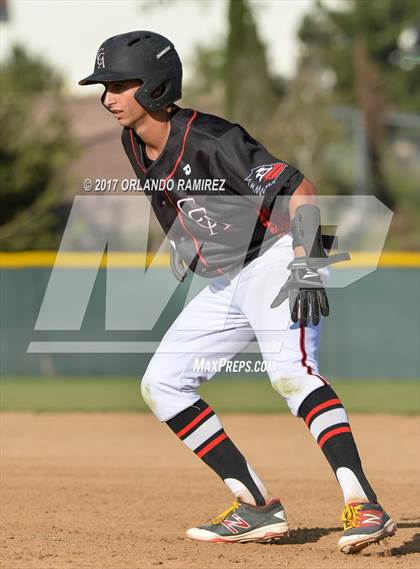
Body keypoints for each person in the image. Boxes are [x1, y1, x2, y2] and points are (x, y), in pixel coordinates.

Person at [79, 31, 396, 554]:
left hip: (277, 259)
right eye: (104, 85)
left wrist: (308, 262)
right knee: (163, 383)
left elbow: (301, 189)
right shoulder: (132, 141)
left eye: (120, 84)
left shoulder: (213, 138)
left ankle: (365, 505)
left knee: (293, 375)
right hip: (228, 280)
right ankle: (255, 504)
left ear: (156, 87)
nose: (108, 96)